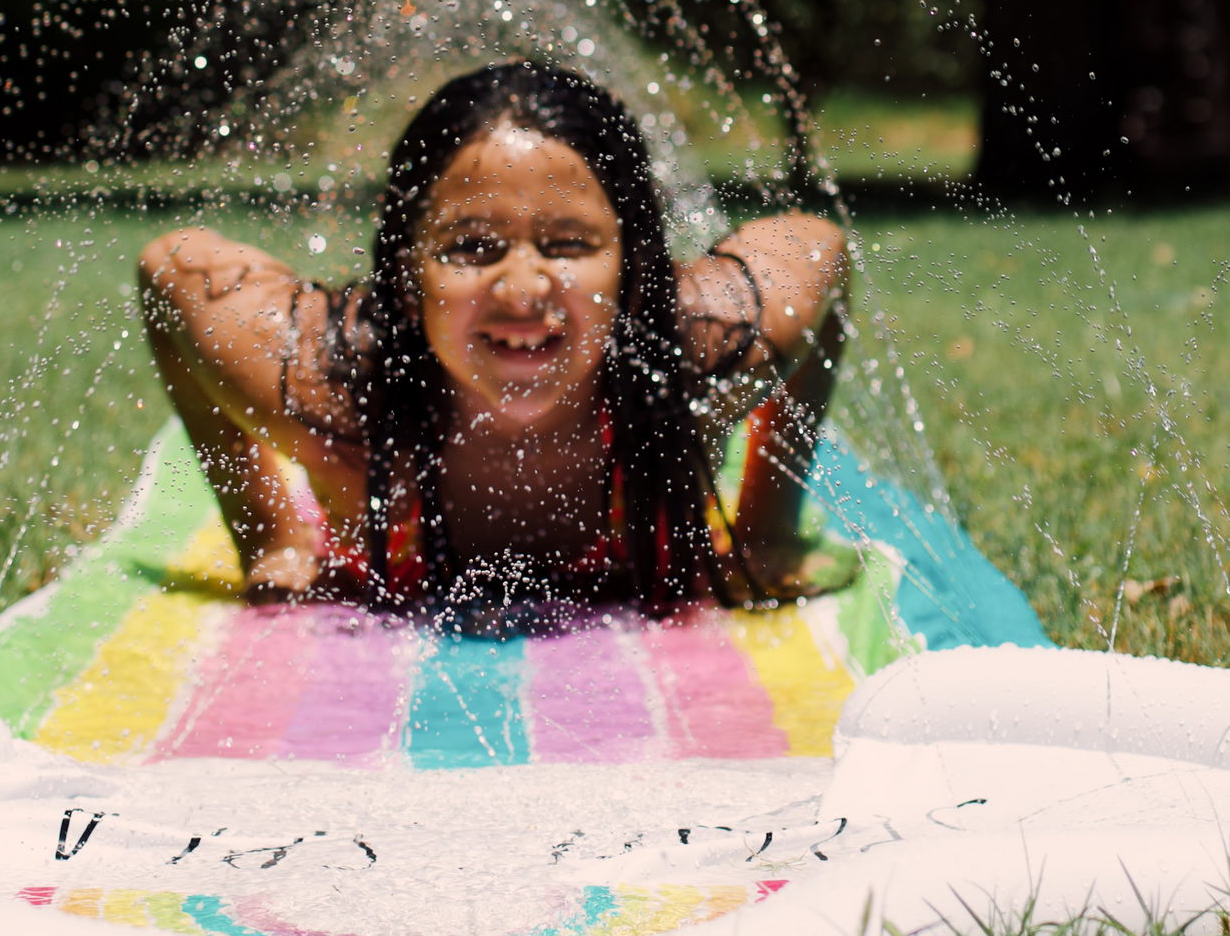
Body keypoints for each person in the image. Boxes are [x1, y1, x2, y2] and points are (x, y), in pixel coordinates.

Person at [138, 61, 850, 612]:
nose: (521, 289)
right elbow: (166, 266)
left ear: (632, 269)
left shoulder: (694, 364)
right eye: (471, 247)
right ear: (407, 274)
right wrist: (268, 534)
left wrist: (766, 522)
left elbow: (821, 249)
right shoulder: (328, 397)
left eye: (568, 244)